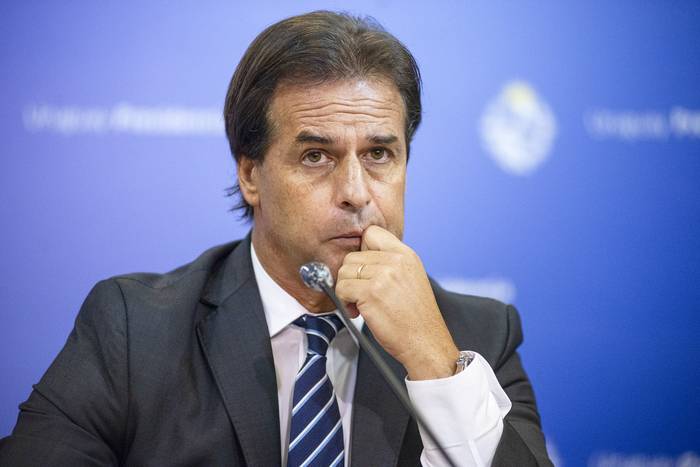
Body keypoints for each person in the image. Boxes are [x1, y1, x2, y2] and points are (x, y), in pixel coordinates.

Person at [0, 11, 552, 467]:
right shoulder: (133, 330)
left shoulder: (478, 335)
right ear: (251, 174)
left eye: (379, 154)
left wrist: (434, 363)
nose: (356, 193)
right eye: (316, 156)